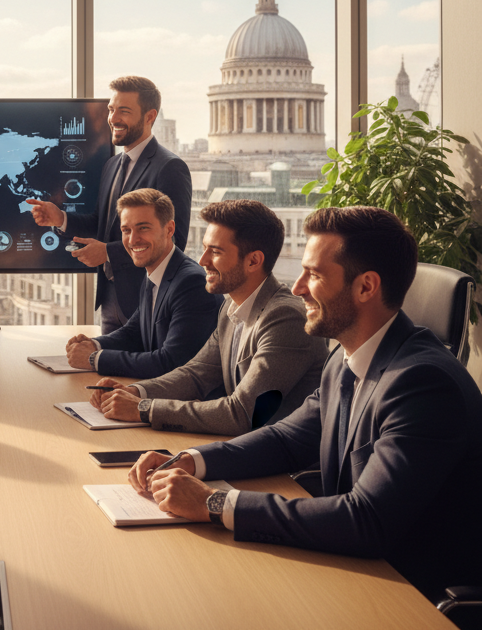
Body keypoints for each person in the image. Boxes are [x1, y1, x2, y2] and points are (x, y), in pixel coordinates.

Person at [128, 206, 482, 601]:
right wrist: (192, 460)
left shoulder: (422, 383)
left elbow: (366, 520)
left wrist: (215, 503)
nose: (296, 288)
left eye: (313, 275)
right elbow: (285, 439)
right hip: (353, 571)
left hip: (409, 596)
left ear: (366, 287)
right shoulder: (345, 359)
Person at [89, 199, 325, 435]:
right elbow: (195, 375)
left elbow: (243, 413)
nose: (202, 261)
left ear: (253, 260)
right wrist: (136, 391)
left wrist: (144, 409)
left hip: (284, 468)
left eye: (215, 251)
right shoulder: (231, 306)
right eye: (204, 249)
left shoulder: (286, 318)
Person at [27, 76, 192, 333]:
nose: (113, 118)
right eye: (111, 110)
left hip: (146, 300)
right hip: (109, 299)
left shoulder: (170, 168)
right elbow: (101, 224)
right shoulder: (112, 165)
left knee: (139, 373)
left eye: (124, 111)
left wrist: (107, 253)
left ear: (150, 117)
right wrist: (60, 218)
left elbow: (174, 242)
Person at [64, 189, 220, 378]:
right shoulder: (154, 272)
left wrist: (94, 358)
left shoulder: (191, 283)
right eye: (126, 230)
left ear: (169, 229)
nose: (132, 239)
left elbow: (170, 363)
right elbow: (134, 332)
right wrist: (94, 344)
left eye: (143, 228)